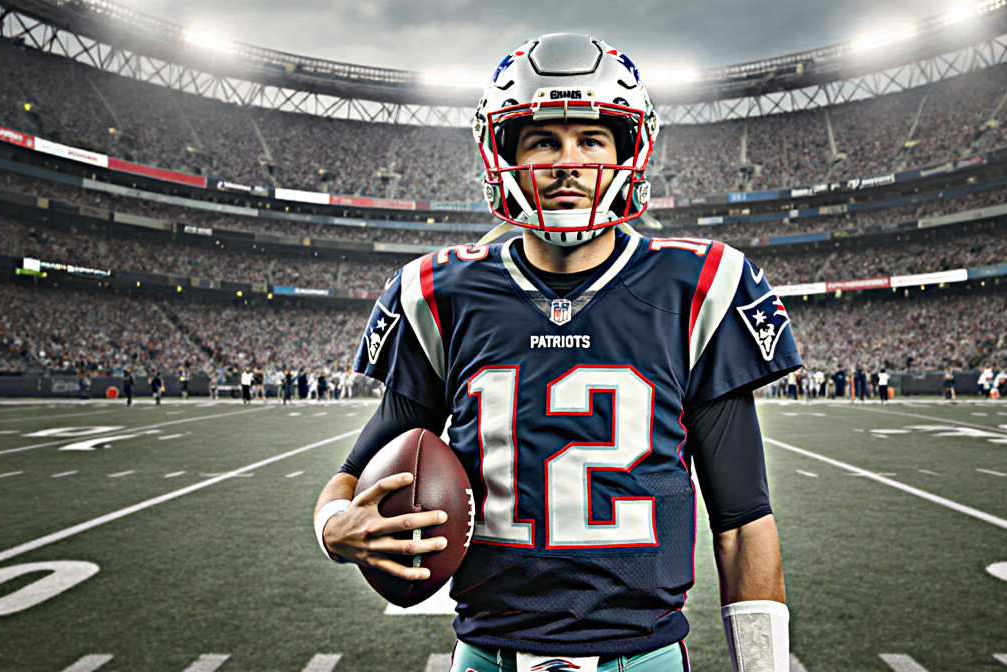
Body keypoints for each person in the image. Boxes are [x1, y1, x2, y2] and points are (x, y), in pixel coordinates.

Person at [314, 34, 802, 672]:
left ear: (630, 151)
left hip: (642, 657)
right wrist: (331, 528)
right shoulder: (442, 293)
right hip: (487, 654)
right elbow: (353, 475)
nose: (568, 161)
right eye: (543, 140)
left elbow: (742, 524)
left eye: (592, 139)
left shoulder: (698, 287)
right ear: (503, 153)